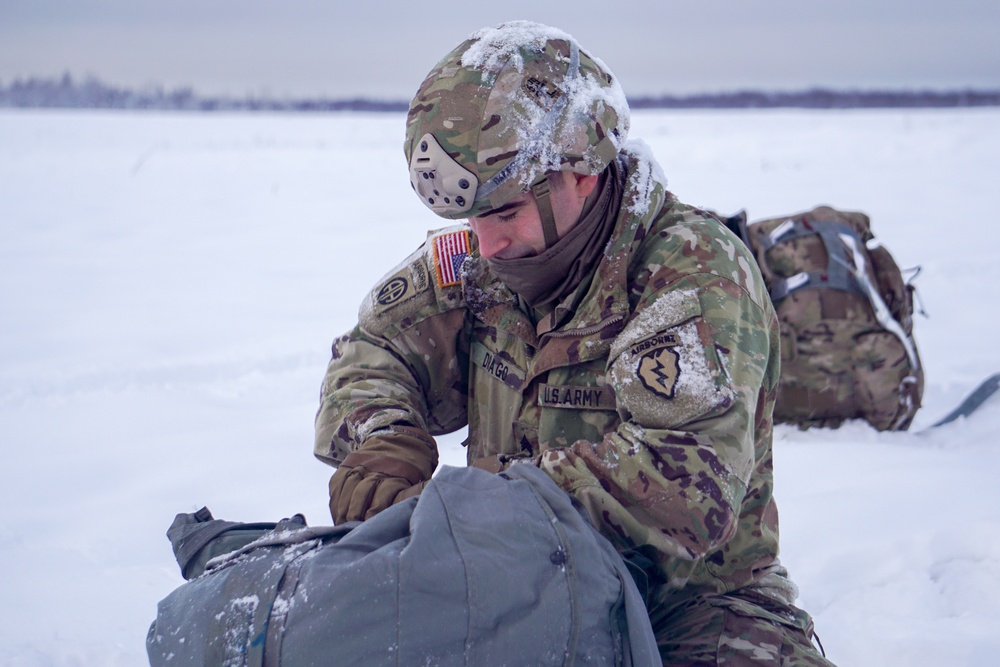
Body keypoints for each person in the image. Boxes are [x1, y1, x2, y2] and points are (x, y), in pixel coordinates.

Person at [314, 21, 834, 665]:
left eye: (506, 213)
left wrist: (473, 511)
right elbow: (373, 349)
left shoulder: (693, 273)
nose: (487, 243)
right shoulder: (485, 261)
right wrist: (383, 438)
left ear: (581, 173)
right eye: (473, 218)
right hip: (510, 587)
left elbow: (682, 486)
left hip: (686, 604)